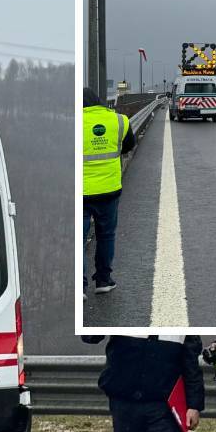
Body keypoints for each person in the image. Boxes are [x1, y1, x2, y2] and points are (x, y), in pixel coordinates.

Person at [81, 87, 136, 296]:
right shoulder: (119, 120)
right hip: (109, 189)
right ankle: (103, 280)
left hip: (83, 192)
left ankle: (80, 287)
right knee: (106, 235)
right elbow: (129, 144)